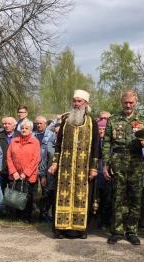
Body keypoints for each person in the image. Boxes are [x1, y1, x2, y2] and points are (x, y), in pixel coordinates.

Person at [48, 89, 100, 239]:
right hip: (65, 168)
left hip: (83, 169)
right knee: (62, 196)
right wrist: (54, 163)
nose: (76, 104)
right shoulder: (65, 121)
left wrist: (94, 167)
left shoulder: (92, 123)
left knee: (81, 197)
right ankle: (60, 230)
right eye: (74, 101)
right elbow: (58, 144)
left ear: (86, 103)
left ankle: (79, 230)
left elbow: (96, 146)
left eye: (79, 101)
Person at [102, 90, 144, 245]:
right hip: (118, 160)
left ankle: (132, 231)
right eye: (125, 102)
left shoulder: (142, 120)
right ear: (121, 102)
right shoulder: (113, 120)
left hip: (136, 161)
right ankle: (117, 231)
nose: (128, 105)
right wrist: (106, 164)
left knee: (135, 197)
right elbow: (107, 142)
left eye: (131, 103)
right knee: (118, 196)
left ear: (136, 103)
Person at [7, 120, 41, 222]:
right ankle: (17, 216)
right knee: (16, 195)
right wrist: (14, 172)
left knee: (27, 196)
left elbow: (35, 159)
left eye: (26, 128)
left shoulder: (35, 142)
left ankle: (27, 217)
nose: (24, 130)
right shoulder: (14, 141)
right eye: (22, 128)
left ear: (30, 130)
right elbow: (9, 157)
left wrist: (25, 173)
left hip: (29, 175)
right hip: (15, 175)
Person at [33, 116, 56, 223]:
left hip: (45, 167)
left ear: (46, 124)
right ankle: (32, 212)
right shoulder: (32, 135)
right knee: (32, 191)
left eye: (41, 123)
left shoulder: (51, 136)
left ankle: (44, 214)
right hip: (32, 167)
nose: (38, 125)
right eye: (37, 123)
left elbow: (50, 154)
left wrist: (43, 174)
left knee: (46, 191)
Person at [95, 118, 112, 230]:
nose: (101, 131)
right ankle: (95, 221)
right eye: (99, 128)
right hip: (96, 175)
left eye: (103, 128)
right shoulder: (95, 142)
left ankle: (105, 222)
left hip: (106, 175)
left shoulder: (110, 143)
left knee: (107, 199)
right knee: (95, 199)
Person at [0, 117, 20, 193]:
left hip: (15, 169)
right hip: (2, 167)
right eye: (4, 124)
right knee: (1, 190)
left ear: (14, 126)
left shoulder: (19, 135)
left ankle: (10, 205)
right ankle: (2, 204)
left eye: (9, 124)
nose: (6, 125)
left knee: (13, 191)